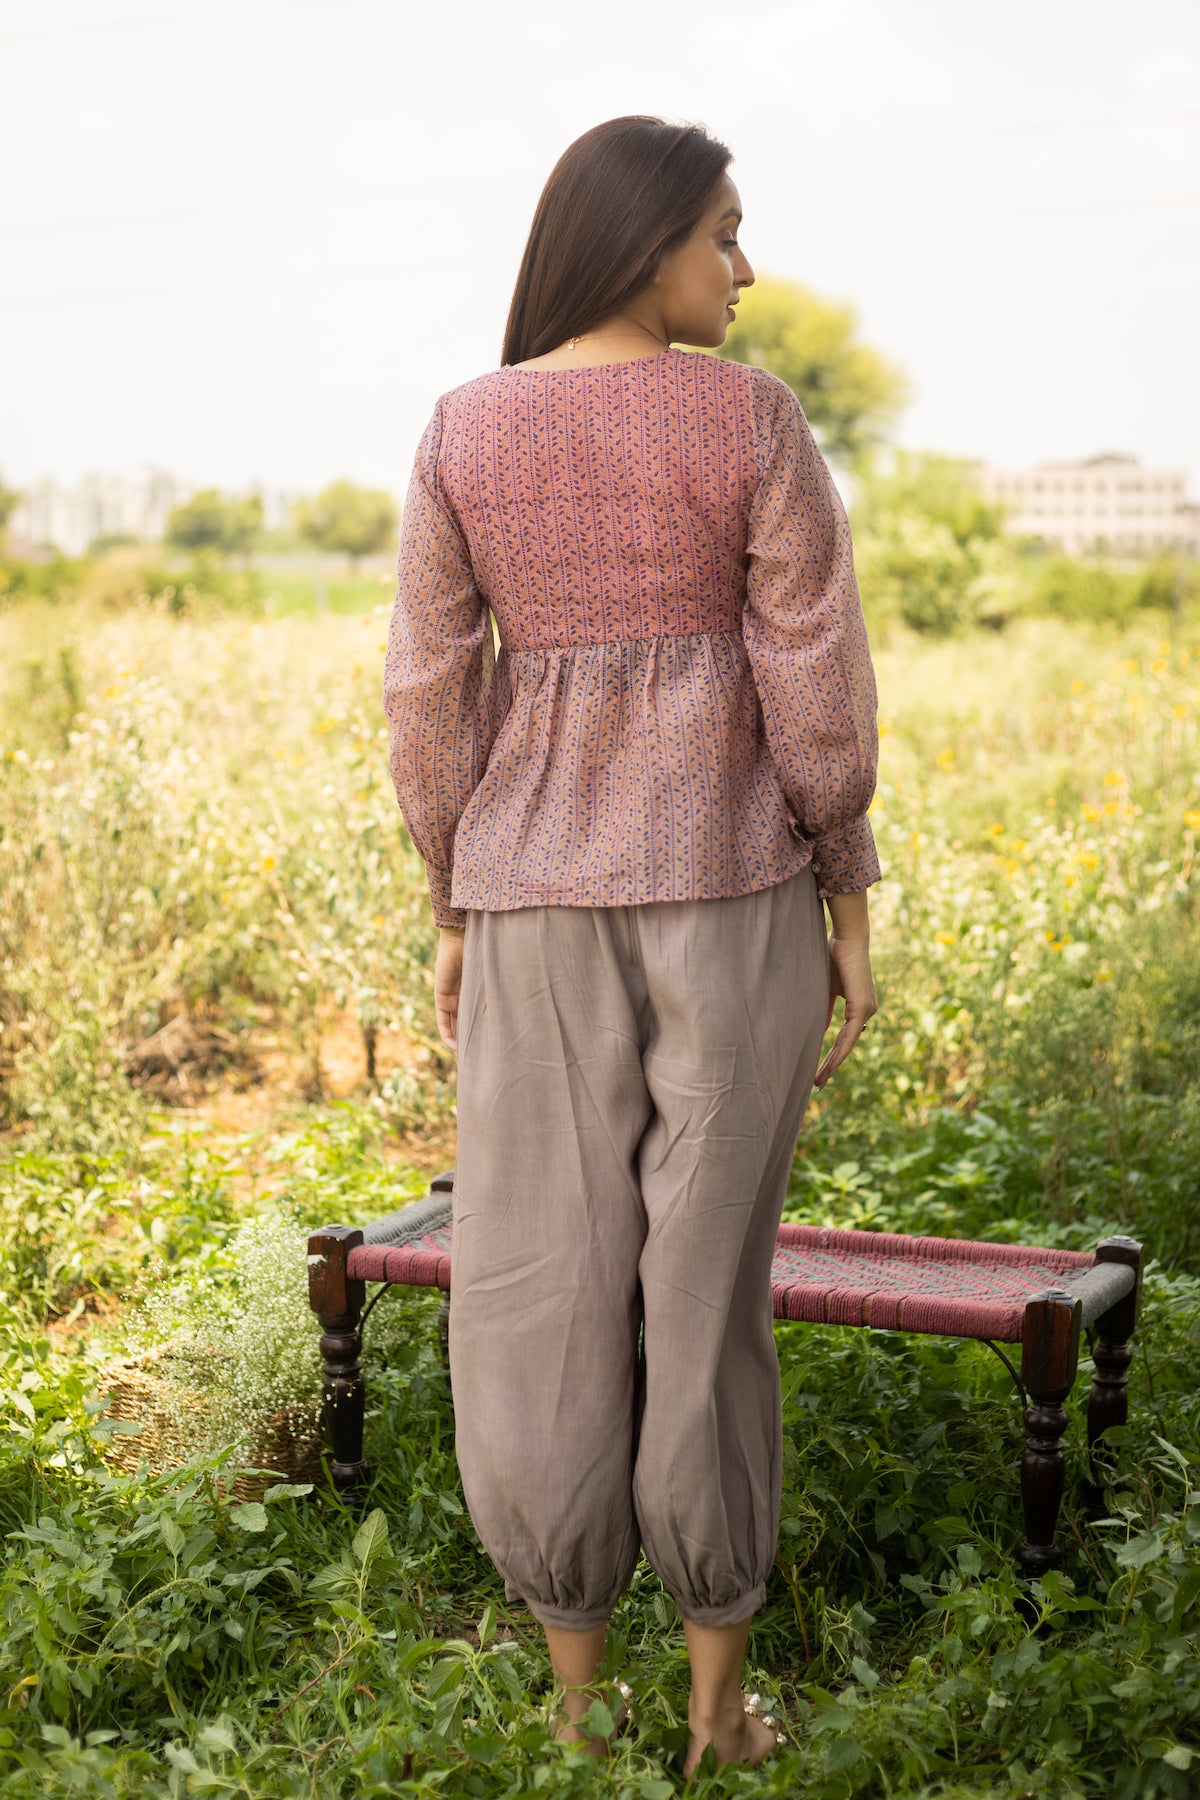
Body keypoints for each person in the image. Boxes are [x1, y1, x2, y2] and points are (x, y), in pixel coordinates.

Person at [384, 113, 880, 1775]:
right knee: (704, 1286)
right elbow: (813, 680)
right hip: (733, 889)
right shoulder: (750, 418)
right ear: (643, 237)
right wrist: (847, 887)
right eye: (724, 233)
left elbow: (426, 696)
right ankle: (716, 1709)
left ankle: (579, 1711)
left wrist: (456, 896)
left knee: (536, 1284)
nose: (745, 268)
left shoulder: (464, 430)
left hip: (526, 898)